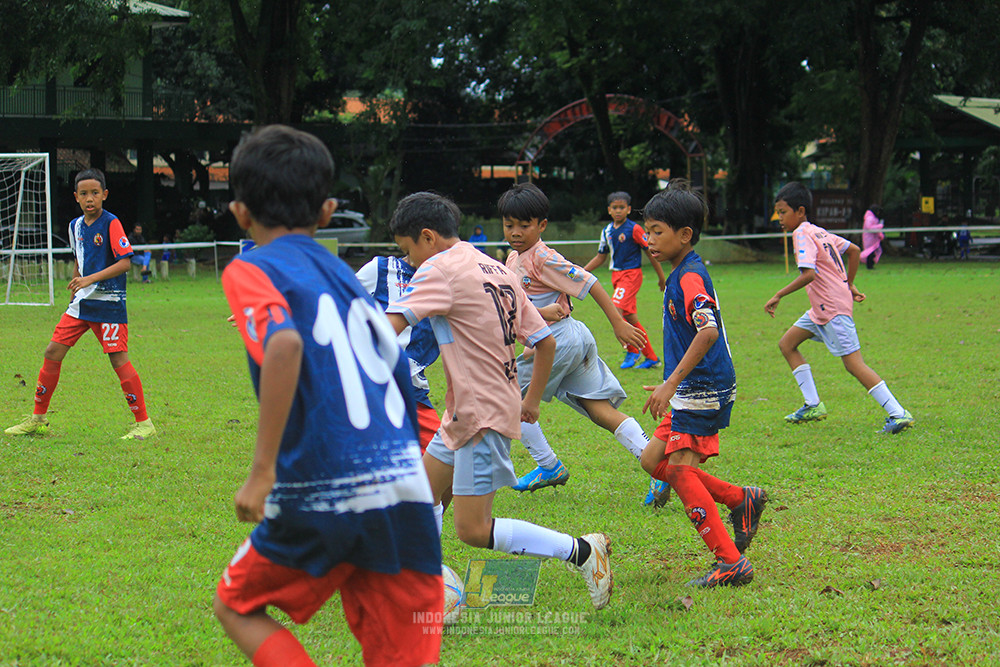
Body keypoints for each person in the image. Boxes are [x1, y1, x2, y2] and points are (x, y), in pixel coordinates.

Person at [212, 126, 442, 667]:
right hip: (402, 492)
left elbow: (284, 344)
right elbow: (393, 363)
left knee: (236, 605)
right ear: (327, 211)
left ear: (240, 214)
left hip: (324, 490)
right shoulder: (345, 277)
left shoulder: (251, 268)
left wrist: (262, 471)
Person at [384, 191, 613, 611]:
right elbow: (544, 341)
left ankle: (582, 551)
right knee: (420, 498)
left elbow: (387, 328)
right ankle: (424, 578)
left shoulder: (438, 269)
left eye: (407, 250)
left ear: (428, 237)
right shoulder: (494, 265)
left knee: (472, 529)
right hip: (468, 411)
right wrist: (531, 401)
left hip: (481, 415)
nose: (409, 262)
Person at [498, 182, 669, 507]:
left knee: (507, 400)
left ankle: (548, 465)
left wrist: (618, 323)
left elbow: (589, 281)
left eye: (524, 225)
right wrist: (540, 313)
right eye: (509, 225)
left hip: (558, 341)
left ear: (542, 225)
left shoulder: (542, 257)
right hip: (570, 339)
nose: (516, 232)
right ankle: (657, 466)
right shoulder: (513, 258)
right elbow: (515, 305)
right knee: (599, 410)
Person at [637, 181, 766, 588]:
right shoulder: (680, 273)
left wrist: (671, 383)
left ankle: (730, 563)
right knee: (653, 461)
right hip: (689, 388)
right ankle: (740, 498)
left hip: (702, 387)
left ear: (685, 235)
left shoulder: (690, 276)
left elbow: (707, 331)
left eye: (657, 231)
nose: (649, 239)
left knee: (680, 472)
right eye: (648, 231)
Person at [5, 168, 155, 440]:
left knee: (118, 359)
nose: (89, 198)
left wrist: (89, 279)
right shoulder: (74, 226)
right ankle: (38, 419)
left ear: (104, 195)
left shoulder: (111, 223)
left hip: (108, 303)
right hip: (81, 304)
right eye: (84, 194)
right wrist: (76, 287)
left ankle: (144, 423)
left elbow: (124, 262)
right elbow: (79, 259)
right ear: (76, 196)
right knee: (52, 352)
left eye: (95, 193)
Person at [765, 182, 914, 434]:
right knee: (787, 344)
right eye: (777, 212)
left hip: (831, 308)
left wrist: (779, 294)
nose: (779, 217)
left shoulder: (801, 234)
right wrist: (849, 283)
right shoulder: (819, 232)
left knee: (854, 364)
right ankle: (813, 405)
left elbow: (809, 274)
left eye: (783, 212)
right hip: (821, 309)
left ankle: (898, 413)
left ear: (800, 211)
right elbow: (854, 250)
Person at [355, 254, 441, 453]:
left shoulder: (447, 279)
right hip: (377, 386)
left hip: (413, 389)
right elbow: (340, 301)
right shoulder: (380, 269)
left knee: (444, 459)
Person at [584, 191, 666, 369]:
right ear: (609, 210)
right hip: (617, 276)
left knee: (615, 308)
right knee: (630, 317)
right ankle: (651, 357)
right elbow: (600, 257)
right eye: (615, 207)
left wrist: (661, 277)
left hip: (631, 275)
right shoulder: (607, 231)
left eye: (622, 207)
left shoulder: (634, 229)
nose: (618, 211)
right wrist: (581, 272)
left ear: (629, 209)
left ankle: (632, 350)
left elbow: (650, 252)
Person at [860, 205, 885, 270]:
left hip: (874, 238)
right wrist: (880, 226)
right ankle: (869, 265)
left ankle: (871, 265)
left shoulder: (873, 218)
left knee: (873, 251)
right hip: (869, 239)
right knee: (869, 252)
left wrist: (880, 235)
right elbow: (870, 228)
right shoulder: (870, 218)